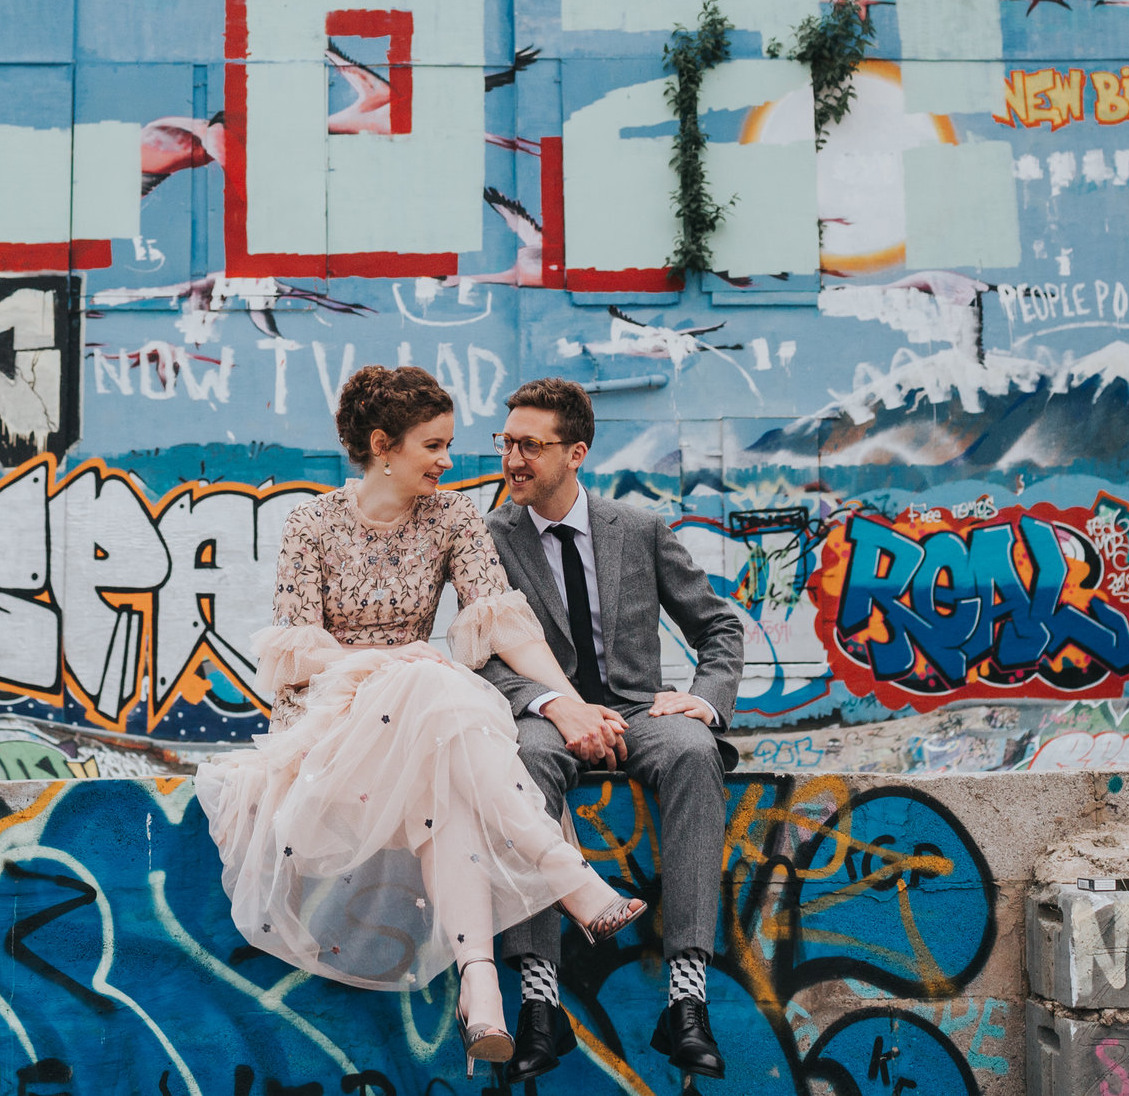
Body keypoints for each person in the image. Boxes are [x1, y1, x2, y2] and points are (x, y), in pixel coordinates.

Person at [193, 365, 647, 1069]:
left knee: (444, 764)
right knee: (430, 680)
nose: (448, 460)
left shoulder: (453, 516)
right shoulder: (311, 522)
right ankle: (567, 874)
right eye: (433, 446)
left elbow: (503, 625)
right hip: (328, 738)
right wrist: (393, 658)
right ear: (383, 444)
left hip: (418, 730)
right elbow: (296, 656)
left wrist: (569, 700)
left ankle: (480, 990)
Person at [477, 378, 745, 1081]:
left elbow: (718, 625)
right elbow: (478, 661)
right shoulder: (488, 540)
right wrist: (544, 703)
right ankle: (541, 1003)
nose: (512, 459)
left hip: (635, 712)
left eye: (529, 445)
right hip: (544, 719)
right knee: (522, 766)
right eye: (506, 442)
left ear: (576, 451)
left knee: (693, 750)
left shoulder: (641, 528)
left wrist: (705, 699)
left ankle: (686, 1001)